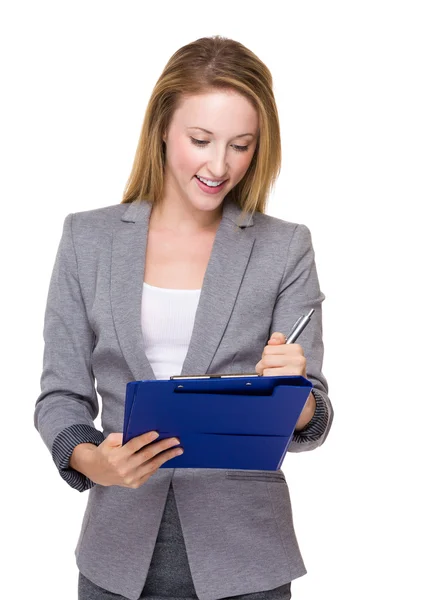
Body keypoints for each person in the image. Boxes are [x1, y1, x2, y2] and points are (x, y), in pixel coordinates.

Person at [34, 35, 333, 600]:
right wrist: (92, 460)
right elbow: (60, 396)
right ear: (163, 128)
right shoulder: (87, 239)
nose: (219, 166)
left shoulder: (286, 248)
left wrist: (294, 393)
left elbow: (315, 418)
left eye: (241, 146)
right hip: (116, 554)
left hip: (246, 557)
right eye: (201, 140)